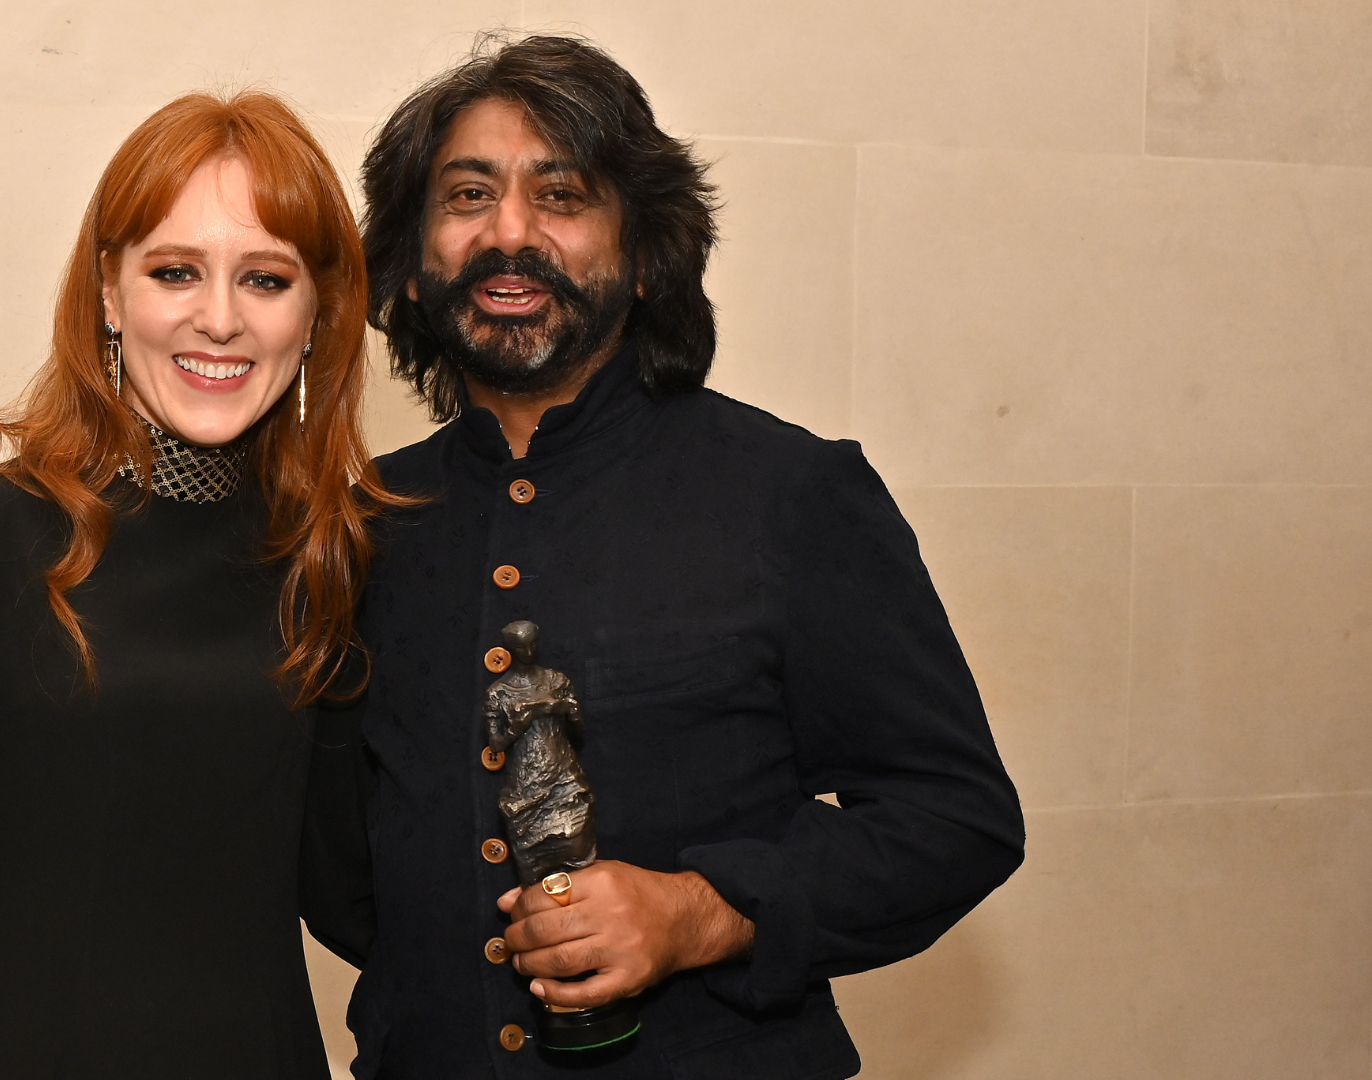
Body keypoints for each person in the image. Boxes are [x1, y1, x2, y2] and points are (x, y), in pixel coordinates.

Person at [320, 34, 1027, 1078]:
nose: (508, 232)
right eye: (466, 197)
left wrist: (700, 913)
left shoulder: (790, 494)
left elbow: (956, 820)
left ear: (646, 255)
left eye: (561, 196)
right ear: (414, 269)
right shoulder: (360, 524)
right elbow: (341, 872)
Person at [0, 90, 404, 1079]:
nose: (221, 319)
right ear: (110, 293)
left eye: (268, 279)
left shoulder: (333, 564)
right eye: (175, 271)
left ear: (319, 312)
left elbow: (359, 892)